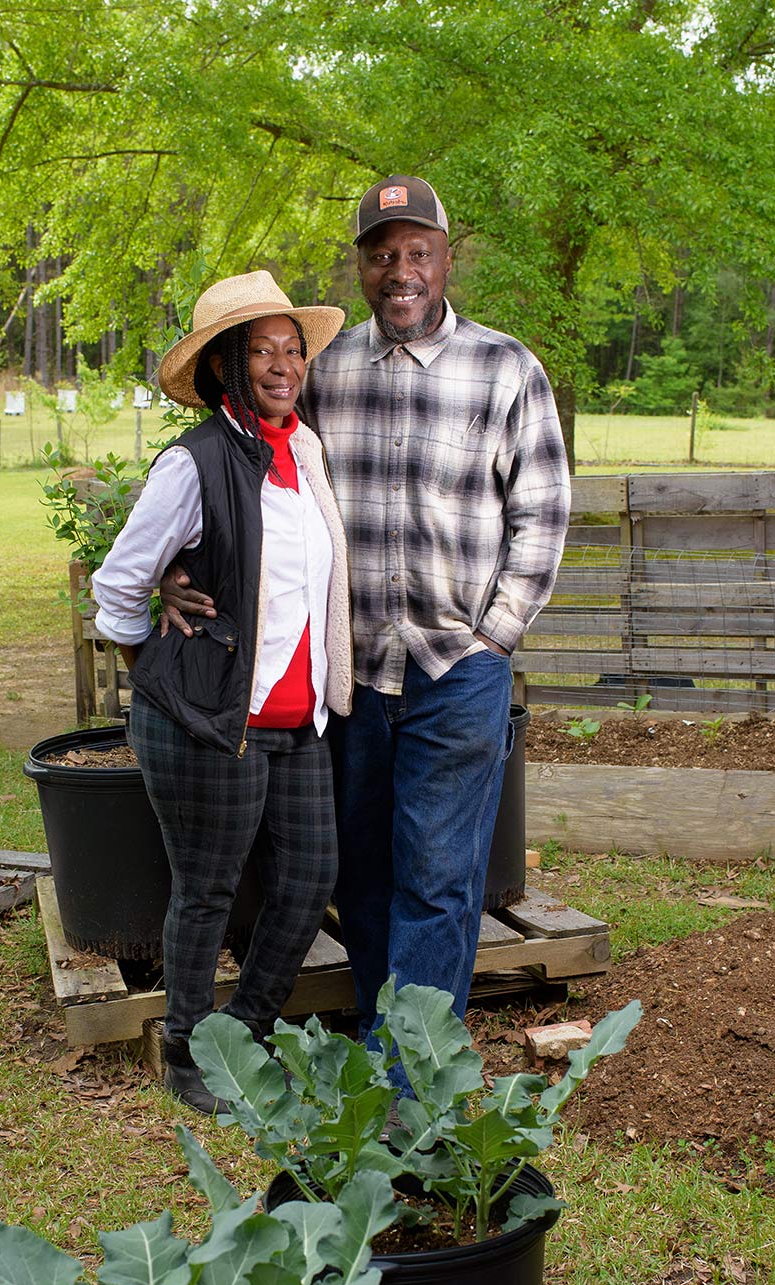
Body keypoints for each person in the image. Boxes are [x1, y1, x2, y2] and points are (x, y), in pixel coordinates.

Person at [161, 177, 570, 1082]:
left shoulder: (507, 371)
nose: (401, 271)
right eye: (383, 254)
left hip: (456, 667)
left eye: (418, 251)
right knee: (364, 875)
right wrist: (177, 573)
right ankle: (396, 1031)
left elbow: (541, 518)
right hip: (354, 675)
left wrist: (494, 637)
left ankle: (407, 1070)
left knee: (438, 874)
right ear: (362, 264)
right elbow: (253, 478)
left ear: (447, 257)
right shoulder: (328, 371)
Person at [90, 270, 352, 1114]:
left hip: (297, 717)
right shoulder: (192, 462)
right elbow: (119, 584)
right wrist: (160, 675)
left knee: (312, 878)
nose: (282, 366)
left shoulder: (304, 452)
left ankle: (242, 1033)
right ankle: (186, 1052)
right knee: (207, 887)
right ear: (226, 370)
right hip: (210, 721)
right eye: (260, 352)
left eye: (292, 350)